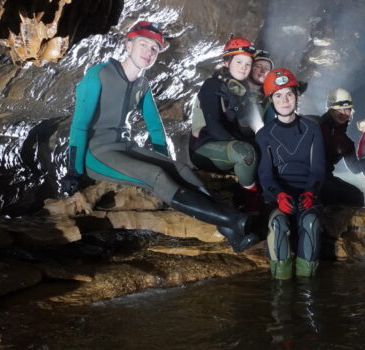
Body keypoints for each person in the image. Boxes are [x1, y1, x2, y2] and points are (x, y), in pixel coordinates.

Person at [60, 22, 259, 252]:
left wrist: (164, 159)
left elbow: (155, 127)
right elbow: (79, 126)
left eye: (154, 48)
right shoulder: (98, 75)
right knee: (156, 175)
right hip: (97, 154)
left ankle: (230, 231)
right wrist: (74, 172)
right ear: (128, 44)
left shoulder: (142, 84)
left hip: (125, 147)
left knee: (181, 170)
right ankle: (233, 220)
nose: (148, 52)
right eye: (143, 44)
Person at [255, 68, 326, 279]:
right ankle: (282, 289)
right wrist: (277, 195)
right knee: (278, 225)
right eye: (278, 95)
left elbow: (318, 170)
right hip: (278, 200)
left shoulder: (312, 129)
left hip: (307, 197)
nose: (284, 100)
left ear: (296, 96)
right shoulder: (264, 135)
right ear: (271, 100)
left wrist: (311, 192)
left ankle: (307, 289)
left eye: (289, 94)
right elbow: (265, 175)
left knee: (311, 223)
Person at [189, 37, 262, 212]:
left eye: (248, 63)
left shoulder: (242, 93)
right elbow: (213, 126)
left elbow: (246, 129)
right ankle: (252, 200)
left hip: (227, 146)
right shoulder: (212, 85)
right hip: (204, 148)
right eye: (239, 61)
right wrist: (242, 145)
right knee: (245, 153)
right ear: (226, 62)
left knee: (261, 148)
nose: (244, 67)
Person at [318, 88, 365, 207]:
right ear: (330, 110)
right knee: (330, 192)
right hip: (310, 180)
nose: (343, 113)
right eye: (338, 109)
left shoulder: (345, 141)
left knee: (357, 196)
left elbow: (356, 169)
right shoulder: (315, 128)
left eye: (347, 109)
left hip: (326, 178)